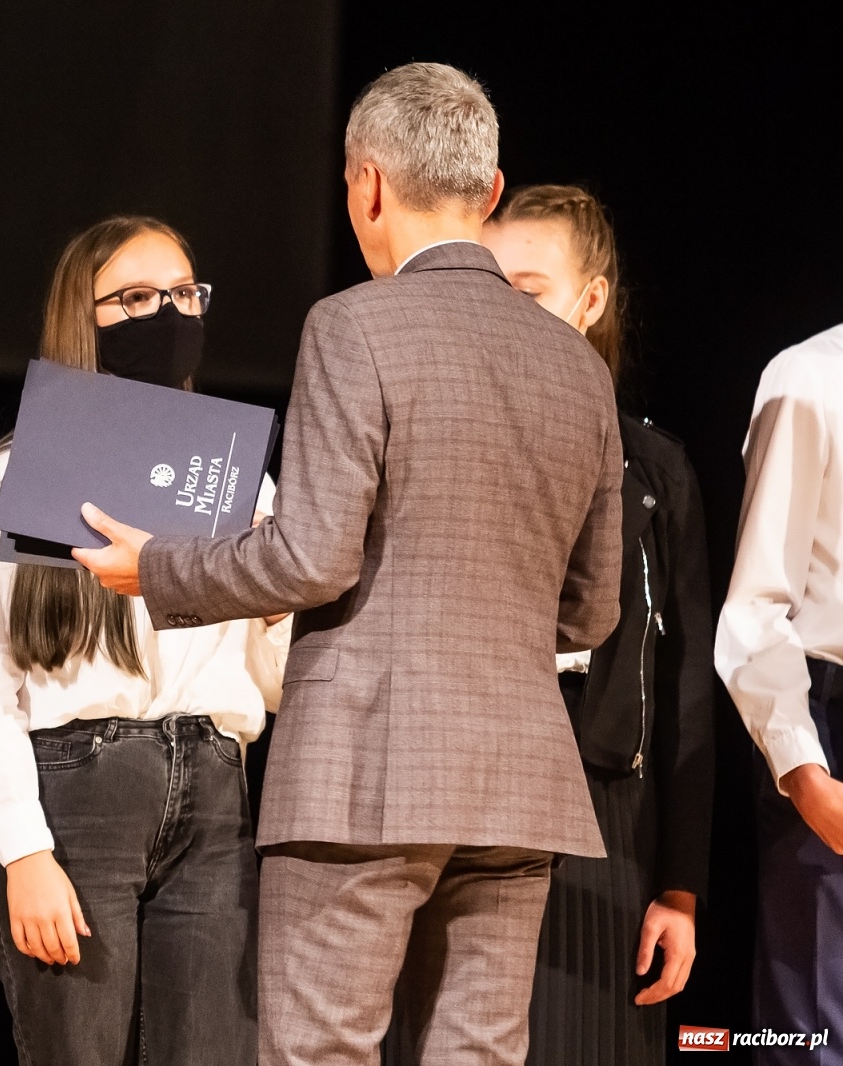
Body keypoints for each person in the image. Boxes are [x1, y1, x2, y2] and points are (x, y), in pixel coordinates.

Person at [76, 63, 624, 1066]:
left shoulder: (352, 323)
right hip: (516, 781)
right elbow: (591, 612)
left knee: (321, 1052)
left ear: (367, 185)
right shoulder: (578, 369)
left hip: (365, 772)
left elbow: (312, 555)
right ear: (491, 191)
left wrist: (157, 569)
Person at [0, 216, 290, 1065]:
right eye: (136, 299)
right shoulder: (8, 481)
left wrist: (278, 611)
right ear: (82, 314)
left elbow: (271, 685)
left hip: (214, 789)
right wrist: (24, 852)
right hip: (79, 797)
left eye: (183, 294)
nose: (167, 315)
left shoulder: (239, 483)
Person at [479, 186, 714, 1064]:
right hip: (465, 785)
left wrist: (681, 887)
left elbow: (688, 686)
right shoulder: (442, 435)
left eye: (530, 291)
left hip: (604, 801)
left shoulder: (654, 468)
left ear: (591, 299)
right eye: (492, 289)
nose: (507, 312)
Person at [717, 254, 843, 1056]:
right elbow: (757, 604)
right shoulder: (811, 377)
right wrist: (806, 775)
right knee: (815, 1036)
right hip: (828, 727)